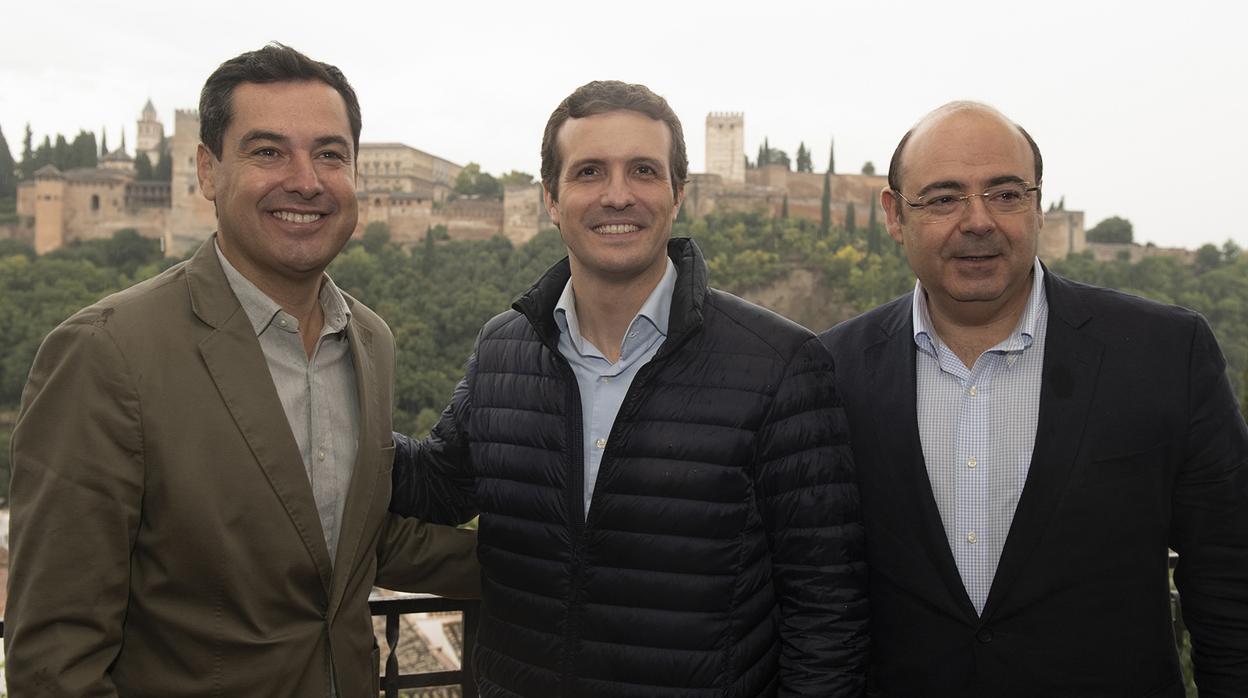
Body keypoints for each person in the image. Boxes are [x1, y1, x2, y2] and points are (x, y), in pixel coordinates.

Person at [5, 43, 478, 697]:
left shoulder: (370, 341)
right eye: (268, 152)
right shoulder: (106, 353)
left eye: (330, 154)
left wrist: (571, 563)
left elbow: (353, 534)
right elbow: (55, 661)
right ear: (206, 171)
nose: (306, 180)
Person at [388, 80, 868, 697]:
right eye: (589, 171)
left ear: (678, 195)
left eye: (642, 170)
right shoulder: (504, 346)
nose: (618, 195)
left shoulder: (782, 364)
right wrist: (316, 398)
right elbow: (439, 486)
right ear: (551, 200)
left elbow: (826, 610)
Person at [821, 101, 1248, 697]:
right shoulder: (828, 372)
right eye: (943, 198)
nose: (978, 221)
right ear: (894, 215)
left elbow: (1230, 575)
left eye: (1005, 194)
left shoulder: (1165, 355)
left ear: (1039, 204)